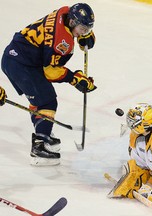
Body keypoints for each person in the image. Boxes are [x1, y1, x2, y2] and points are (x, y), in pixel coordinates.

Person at [1, 3, 96, 166]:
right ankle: (39, 145)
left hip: (19, 57)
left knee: (42, 98)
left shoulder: (64, 12)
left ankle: (43, 133)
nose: (84, 32)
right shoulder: (62, 41)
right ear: (72, 22)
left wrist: (84, 34)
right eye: (82, 29)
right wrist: (74, 78)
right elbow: (50, 71)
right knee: (46, 100)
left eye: (87, 29)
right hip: (20, 64)